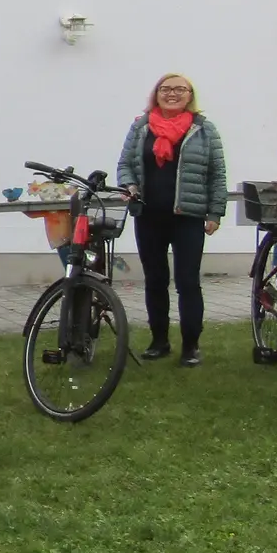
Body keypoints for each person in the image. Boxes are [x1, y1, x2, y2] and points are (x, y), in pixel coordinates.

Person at [116, 73, 227, 367]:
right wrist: (129, 185)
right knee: (155, 280)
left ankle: (191, 346)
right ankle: (159, 341)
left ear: (190, 95)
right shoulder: (141, 127)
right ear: (156, 94)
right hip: (148, 215)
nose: (172, 94)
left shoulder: (204, 129)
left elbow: (217, 174)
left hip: (188, 216)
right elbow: (125, 165)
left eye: (180, 89)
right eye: (166, 89)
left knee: (188, 281)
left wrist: (215, 212)